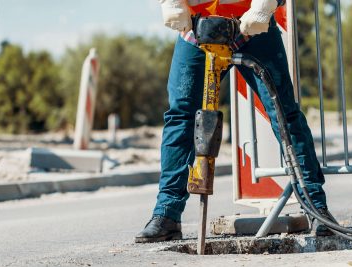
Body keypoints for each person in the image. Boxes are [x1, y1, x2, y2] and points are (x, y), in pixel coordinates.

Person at [135, 0, 334, 243]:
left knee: (283, 112)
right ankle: (166, 215)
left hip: (251, 22)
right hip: (198, 23)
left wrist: (264, 7)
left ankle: (316, 208)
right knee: (181, 116)